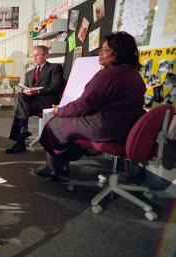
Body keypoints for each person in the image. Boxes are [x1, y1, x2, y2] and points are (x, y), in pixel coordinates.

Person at [36, 32, 146, 180]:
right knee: (66, 122)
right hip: (126, 128)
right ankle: (61, 164)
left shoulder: (109, 75)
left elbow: (84, 105)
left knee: (53, 124)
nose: (100, 53)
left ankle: (55, 167)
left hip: (105, 127)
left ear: (117, 54)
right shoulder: (134, 74)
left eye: (106, 50)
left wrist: (59, 110)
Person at [5, 45, 64, 154]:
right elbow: (26, 87)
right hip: (31, 102)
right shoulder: (29, 73)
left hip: (45, 101)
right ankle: (23, 133)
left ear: (45, 55)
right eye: (33, 55)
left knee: (19, 108)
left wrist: (37, 91)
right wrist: (25, 91)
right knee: (19, 96)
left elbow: (55, 87)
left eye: (37, 55)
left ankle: (20, 142)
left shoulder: (55, 68)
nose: (34, 58)